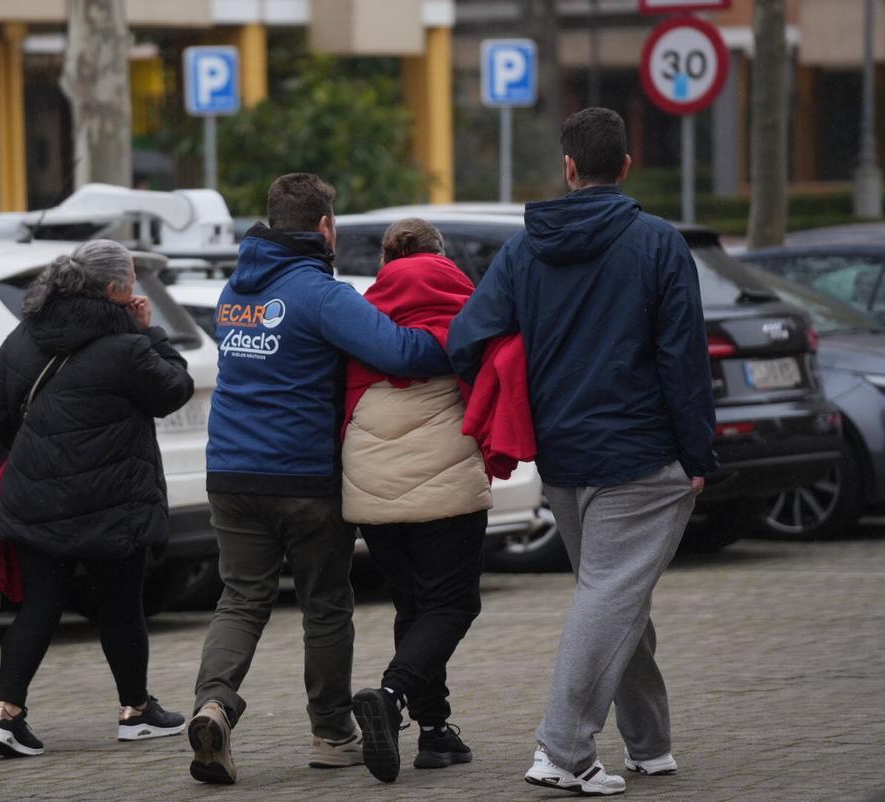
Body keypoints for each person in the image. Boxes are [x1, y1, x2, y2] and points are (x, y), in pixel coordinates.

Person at [447, 107, 716, 796]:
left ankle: (650, 745)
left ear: (569, 168)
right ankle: (562, 751)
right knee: (610, 596)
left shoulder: (523, 250)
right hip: (642, 455)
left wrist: (521, 393)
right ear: (624, 165)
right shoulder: (658, 244)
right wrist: (698, 456)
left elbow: (467, 338)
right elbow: (683, 359)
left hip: (562, 457)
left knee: (613, 595)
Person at [187, 174, 451, 785]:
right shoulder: (321, 294)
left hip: (230, 471)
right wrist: (459, 341)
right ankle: (332, 734)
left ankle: (214, 704)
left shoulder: (234, 291)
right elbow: (400, 352)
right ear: (325, 227)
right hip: (303, 475)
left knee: (241, 598)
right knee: (326, 604)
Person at [0, 239, 195, 757]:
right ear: (115, 288)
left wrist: (43, 450)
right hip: (112, 501)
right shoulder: (127, 345)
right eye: (133, 278)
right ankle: (135, 711)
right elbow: (175, 390)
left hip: (35, 496)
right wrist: (151, 332)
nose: (136, 286)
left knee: (38, 607)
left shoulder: (26, 334)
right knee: (120, 608)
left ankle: (5, 715)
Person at [342, 219, 492, 784]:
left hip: (370, 480)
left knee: (414, 607)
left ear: (386, 259)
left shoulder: (364, 313)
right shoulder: (468, 305)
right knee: (453, 605)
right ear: (441, 254)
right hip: (444, 478)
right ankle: (390, 695)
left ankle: (434, 731)